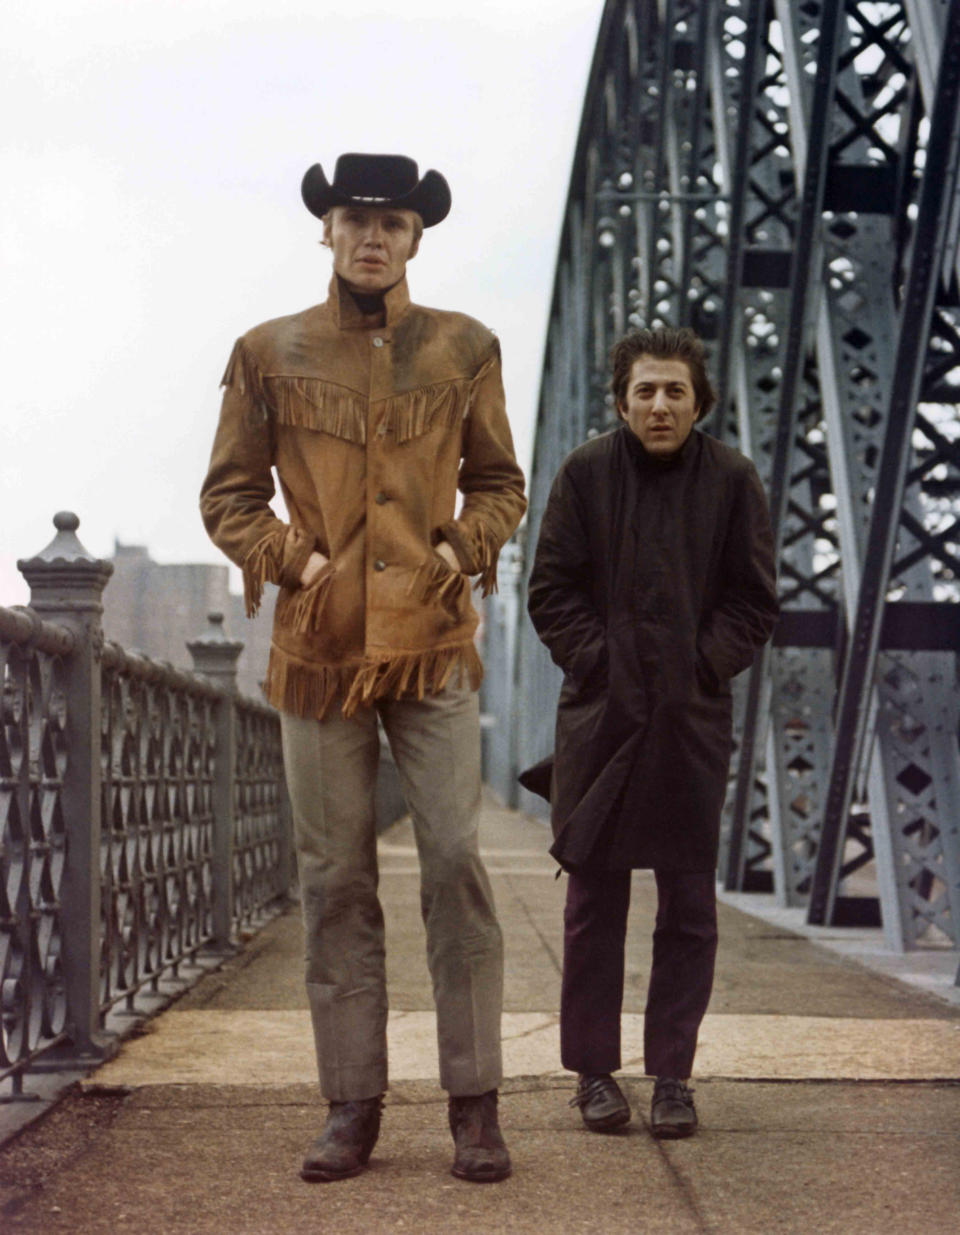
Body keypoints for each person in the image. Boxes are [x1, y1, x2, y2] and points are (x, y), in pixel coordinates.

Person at [201, 153, 526, 1183]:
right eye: (355, 219)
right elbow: (228, 494)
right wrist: (287, 558)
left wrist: (456, 549)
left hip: (432, 645)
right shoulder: (267, 351)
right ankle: (352, 1104)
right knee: (334, 876)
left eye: (391, 221)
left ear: (418, 237)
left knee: (454, 867)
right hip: (320, 650)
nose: (373, 236)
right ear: (328, 232)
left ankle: (475, 1103)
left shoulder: (466, 346)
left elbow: (500, 483)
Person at [523, 326, 778, 1139]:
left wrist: (704, 667)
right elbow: (550, 589)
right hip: (603, 721)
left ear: (699, 400)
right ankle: (595, 1073)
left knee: (689, 906)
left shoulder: (733, 479)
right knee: (595, 902)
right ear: (621, 400)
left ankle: (673, 1075)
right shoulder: (585, 473)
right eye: (644, 391)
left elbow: (753, 599)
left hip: (690, 723)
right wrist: (600, 665)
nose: (660, 405)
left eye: (675, 391)